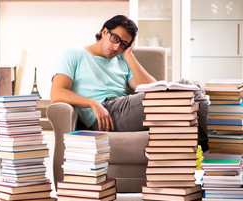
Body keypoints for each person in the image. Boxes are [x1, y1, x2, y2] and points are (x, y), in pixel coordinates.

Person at [50, 15, 208, 151]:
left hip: (122, 108)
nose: (116, 46)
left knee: (191, 84)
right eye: (115, 39)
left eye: (123, 44)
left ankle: (207, 144)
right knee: (190, 90)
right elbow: (56, 93)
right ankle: (219, 140)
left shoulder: (122, 59)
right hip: (105, 113)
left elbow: (154, 89)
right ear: (104, 32)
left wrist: (129, 55)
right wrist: (92, 103)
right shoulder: (74, 53)